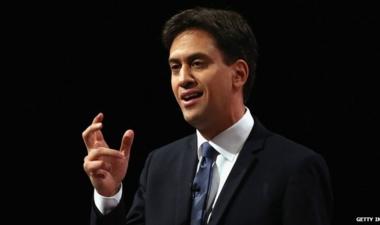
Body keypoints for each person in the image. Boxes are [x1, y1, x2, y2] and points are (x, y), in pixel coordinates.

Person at [82, 7, 333, 225]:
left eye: (198, 63)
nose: (183, 79)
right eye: (175, 67)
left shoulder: (295, 168)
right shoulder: (159, 165)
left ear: (239, 74)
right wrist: (109, 194)